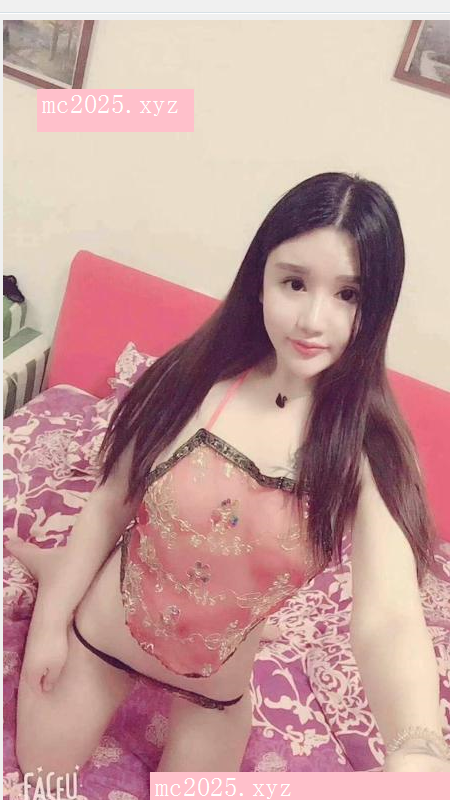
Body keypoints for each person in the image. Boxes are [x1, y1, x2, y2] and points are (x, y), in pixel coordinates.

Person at [6, 172, 450, 786]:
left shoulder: (369, 451)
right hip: (105, 635)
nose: (313, 319)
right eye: (295, 283)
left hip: (213, 689)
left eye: (349, 294)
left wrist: (419, 749)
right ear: (259, 278)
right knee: (41, 774)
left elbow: (391, 616)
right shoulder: (194, 379)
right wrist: (51, 623)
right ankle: (60, 573)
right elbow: (110, 503)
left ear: (378, 307)